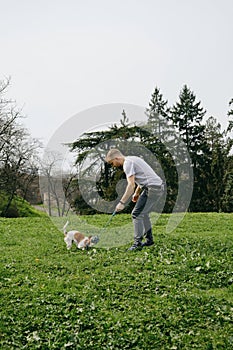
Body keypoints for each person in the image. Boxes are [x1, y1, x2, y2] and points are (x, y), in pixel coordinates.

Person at [106, 148, 164, 251]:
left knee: (136, 214)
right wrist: (137, 193)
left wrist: (121, 202)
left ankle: (137, 243)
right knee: (143, 213)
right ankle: (149, 240)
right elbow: (143, 178)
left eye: (112, 163)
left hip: (152, 189)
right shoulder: (133, 159)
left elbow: (131, 185)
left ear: (117, 158)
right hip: (156, 187)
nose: (113, 165)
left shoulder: (127, 164)